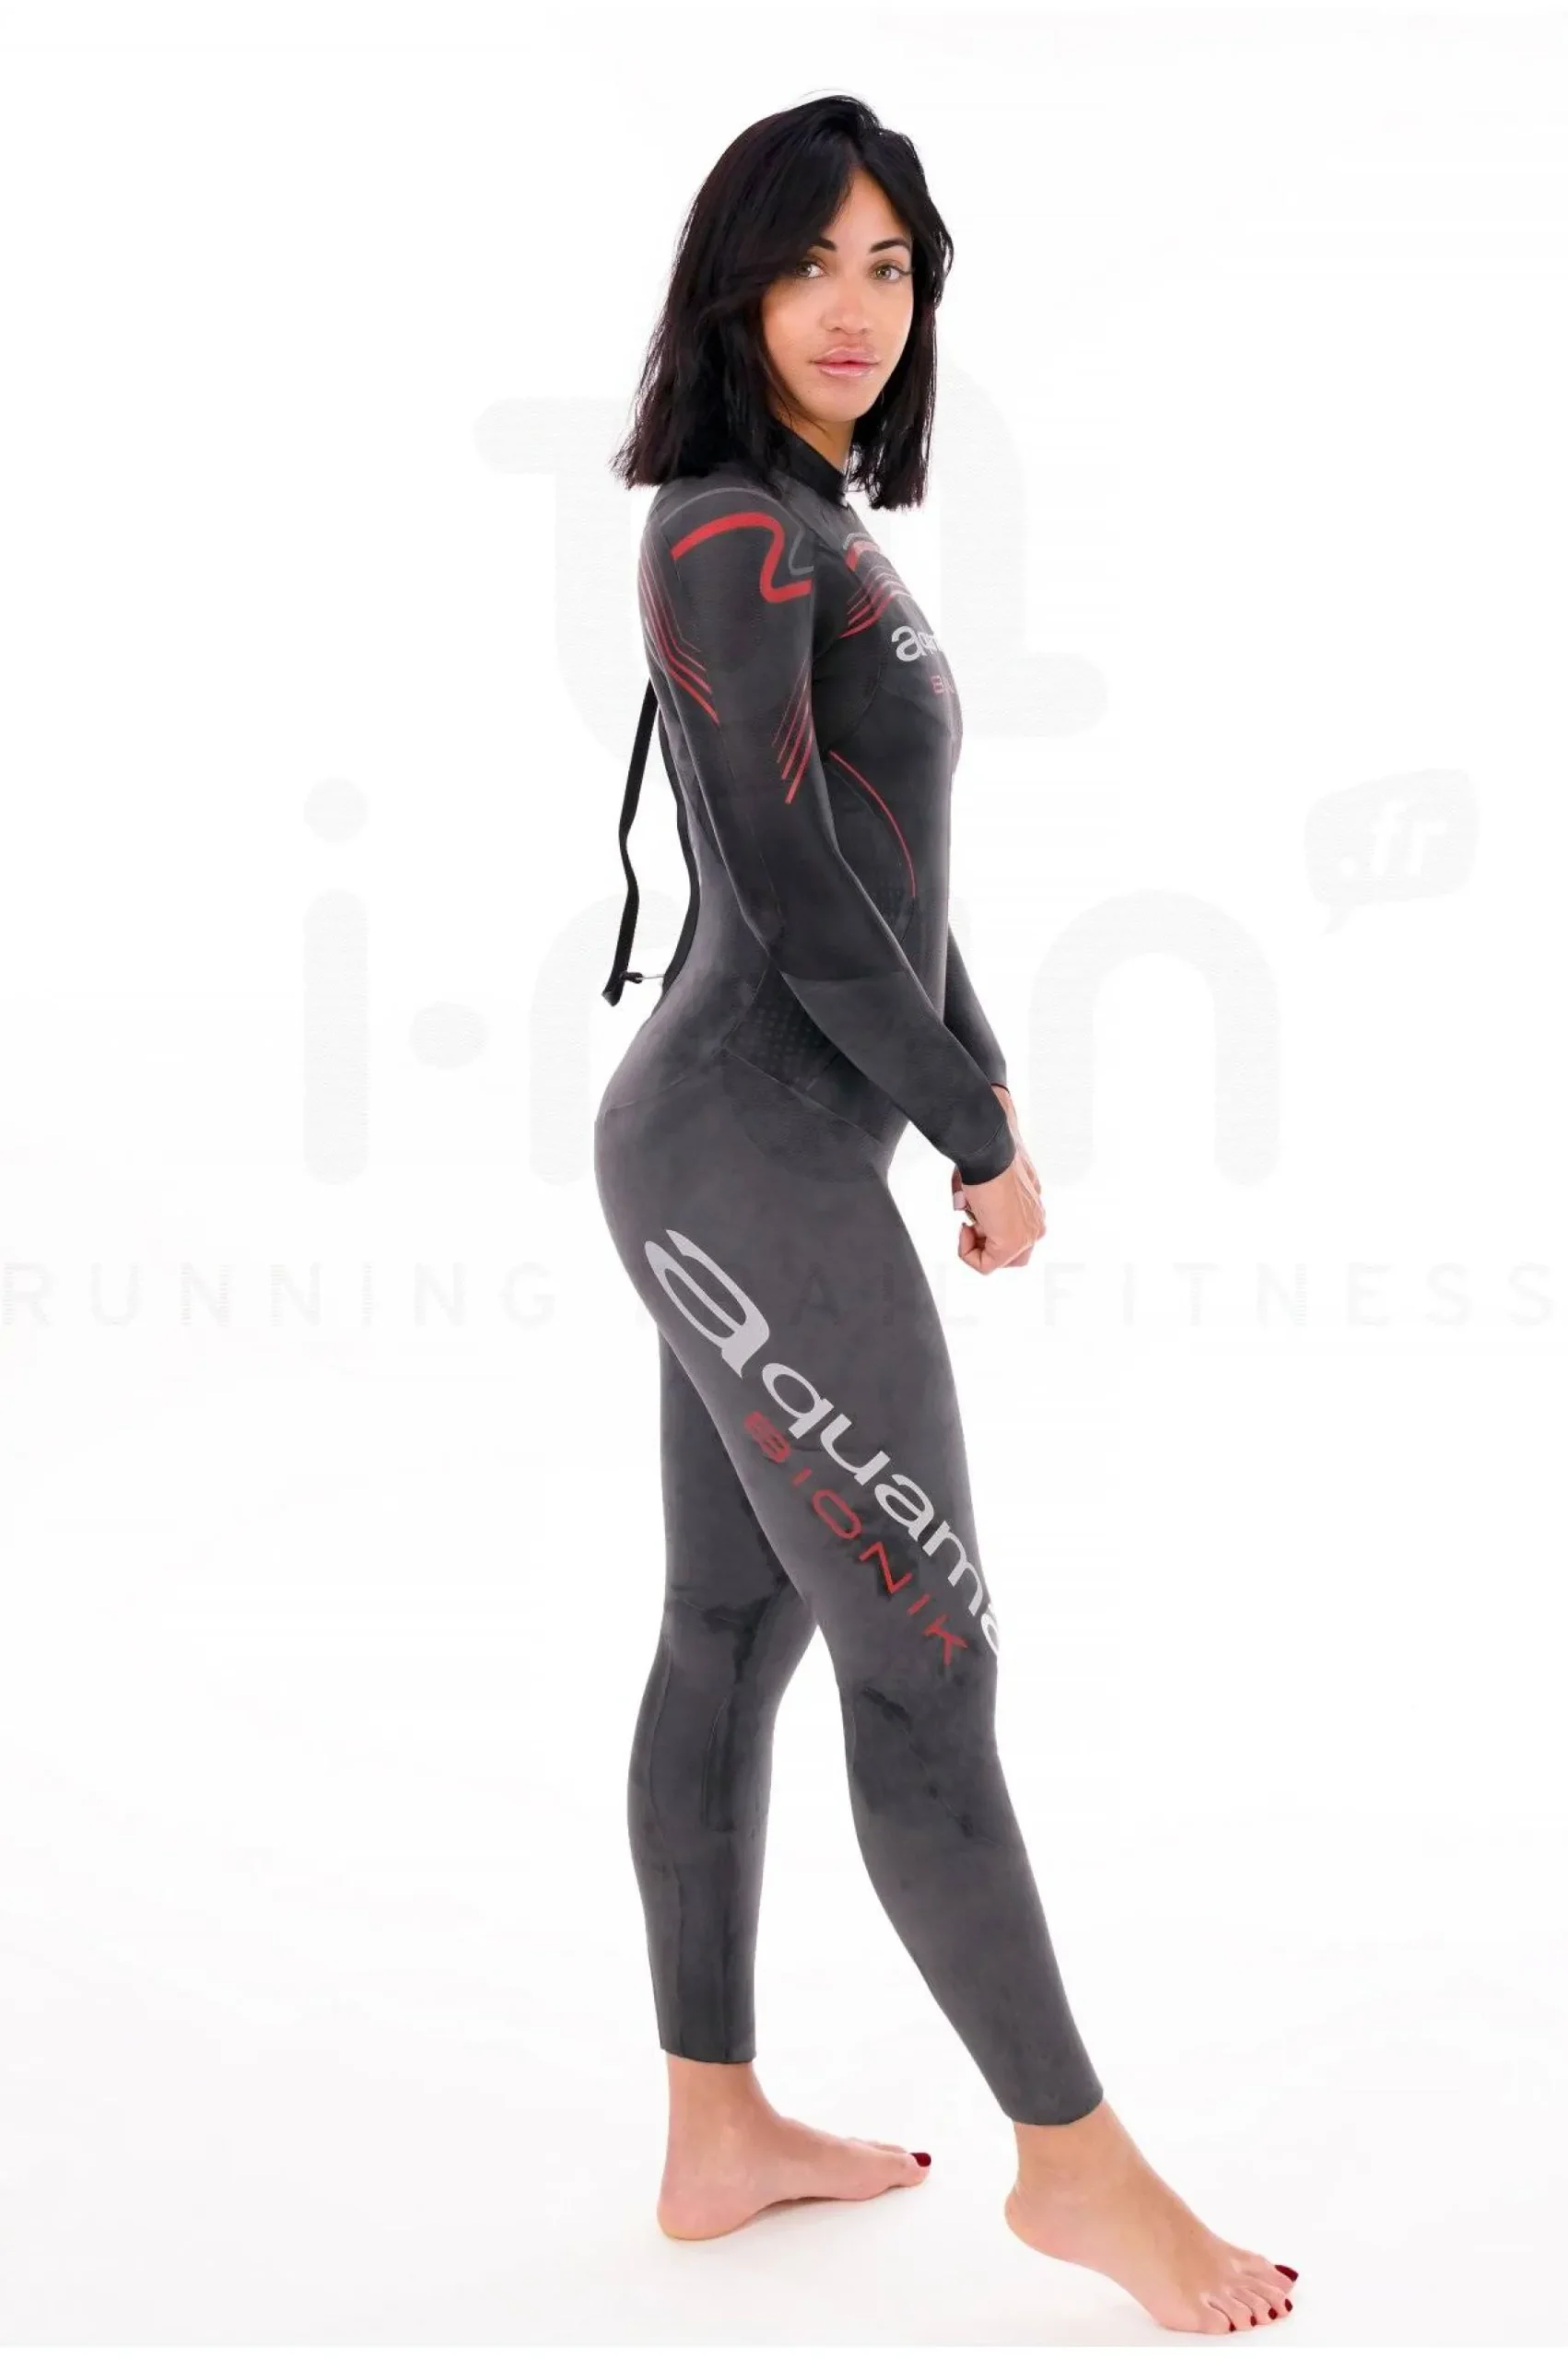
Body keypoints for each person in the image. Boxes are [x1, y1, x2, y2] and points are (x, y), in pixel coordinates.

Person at [595, 94, 1299, 2337]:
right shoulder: (727, 530)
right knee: (927, 1661)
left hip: (778, 1150)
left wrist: (977, 1097)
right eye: (806, 259)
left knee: (734, 1627)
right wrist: (964, 1136)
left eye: (887, 264)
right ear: (729, 284)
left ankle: (714, 2132)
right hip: (739, 1151)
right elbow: (793, 897)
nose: (850, 304)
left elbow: (889, 883)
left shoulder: (812, 525)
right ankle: (1072, 2164)